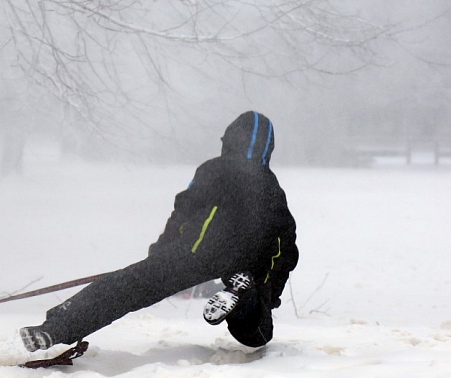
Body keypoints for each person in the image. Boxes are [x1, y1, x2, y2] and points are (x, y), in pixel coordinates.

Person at [20, 111, 298, 352]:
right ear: (267, 148)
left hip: (197, 251)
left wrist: (162, 252)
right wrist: (268, 293)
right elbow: (285, 246)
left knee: (125, 287)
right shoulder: (272, 188)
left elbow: (184, 211)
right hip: (248, 263)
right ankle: (243, 299)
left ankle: (55, 329)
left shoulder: (213, 169)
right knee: (257, 335)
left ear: (229, 139)